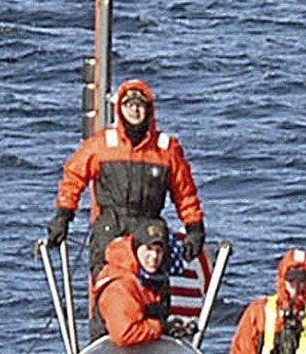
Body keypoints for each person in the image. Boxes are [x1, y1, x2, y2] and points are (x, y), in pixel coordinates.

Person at [46, 79, 206, 276]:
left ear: (149, 109)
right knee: (111, 290)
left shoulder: (166, 149)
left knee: (151, 294)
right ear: (120, 109)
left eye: (139, 105)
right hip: (111, 226)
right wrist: (63, 215)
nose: (134, 111)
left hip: (149, 228)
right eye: (129, 105)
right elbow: (73, 178)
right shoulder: (101, 145)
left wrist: (194, 229)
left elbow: (185, 194)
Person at [91, 220, 186, 345]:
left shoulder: (154, 281)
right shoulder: (120, 285)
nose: (153, 256)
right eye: (148, 249)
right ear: (136, 249)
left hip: (143, 353)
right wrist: (161, 327)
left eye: (158, 251)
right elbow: (124, 334)